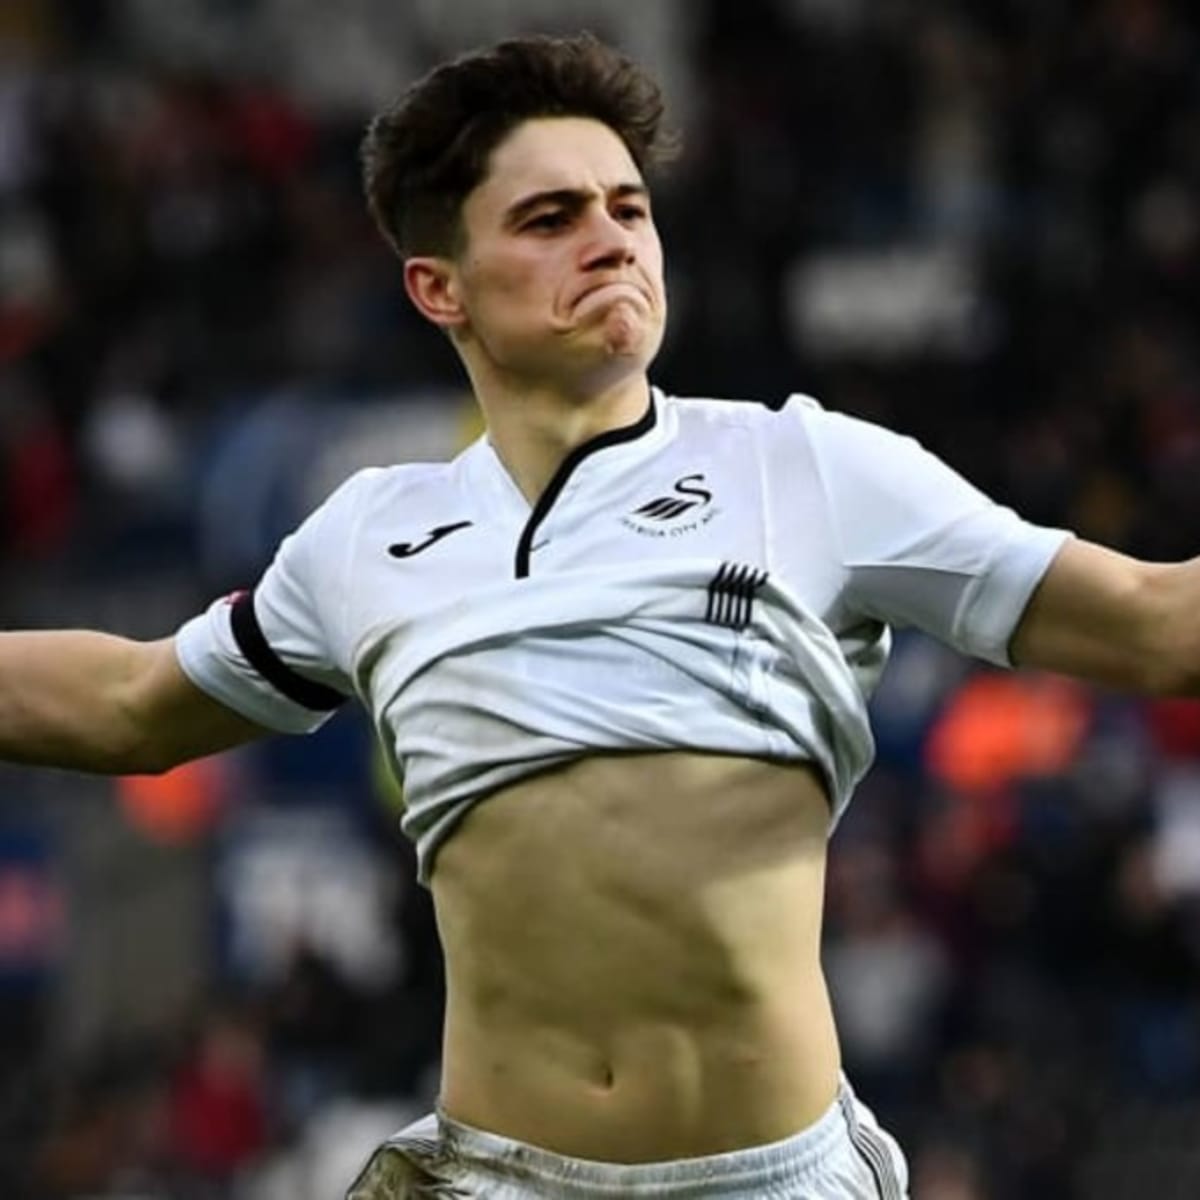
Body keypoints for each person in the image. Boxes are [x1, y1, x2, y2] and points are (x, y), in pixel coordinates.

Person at [3, 32, 1196, 1200]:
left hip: (764, 1180)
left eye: (630, 208)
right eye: (550, 218)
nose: (612, 240)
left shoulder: (806, 470)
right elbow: (129, 704)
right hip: (487, 1177)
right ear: (439, 287)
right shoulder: (366, 538)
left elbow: (1153, 621)